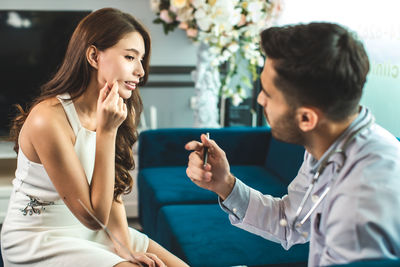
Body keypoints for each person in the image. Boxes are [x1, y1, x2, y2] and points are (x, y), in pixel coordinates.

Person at [185, 22, 400, 266]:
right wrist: (225, 184)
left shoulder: (363, 202)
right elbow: (291, 221)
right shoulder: (327, 143)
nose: (259, 99)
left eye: (268, 93)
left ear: (306, 118)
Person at [1, 8, 188, 267]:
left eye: (141, 59)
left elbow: (113, 189)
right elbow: (93, 217)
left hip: (94, 232)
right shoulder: (48, 120)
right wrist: (107, 132)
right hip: (40, 239)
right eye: (130, 57)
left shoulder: (120, 106)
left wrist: (124, 246)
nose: (141, 71)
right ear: (93, 56)